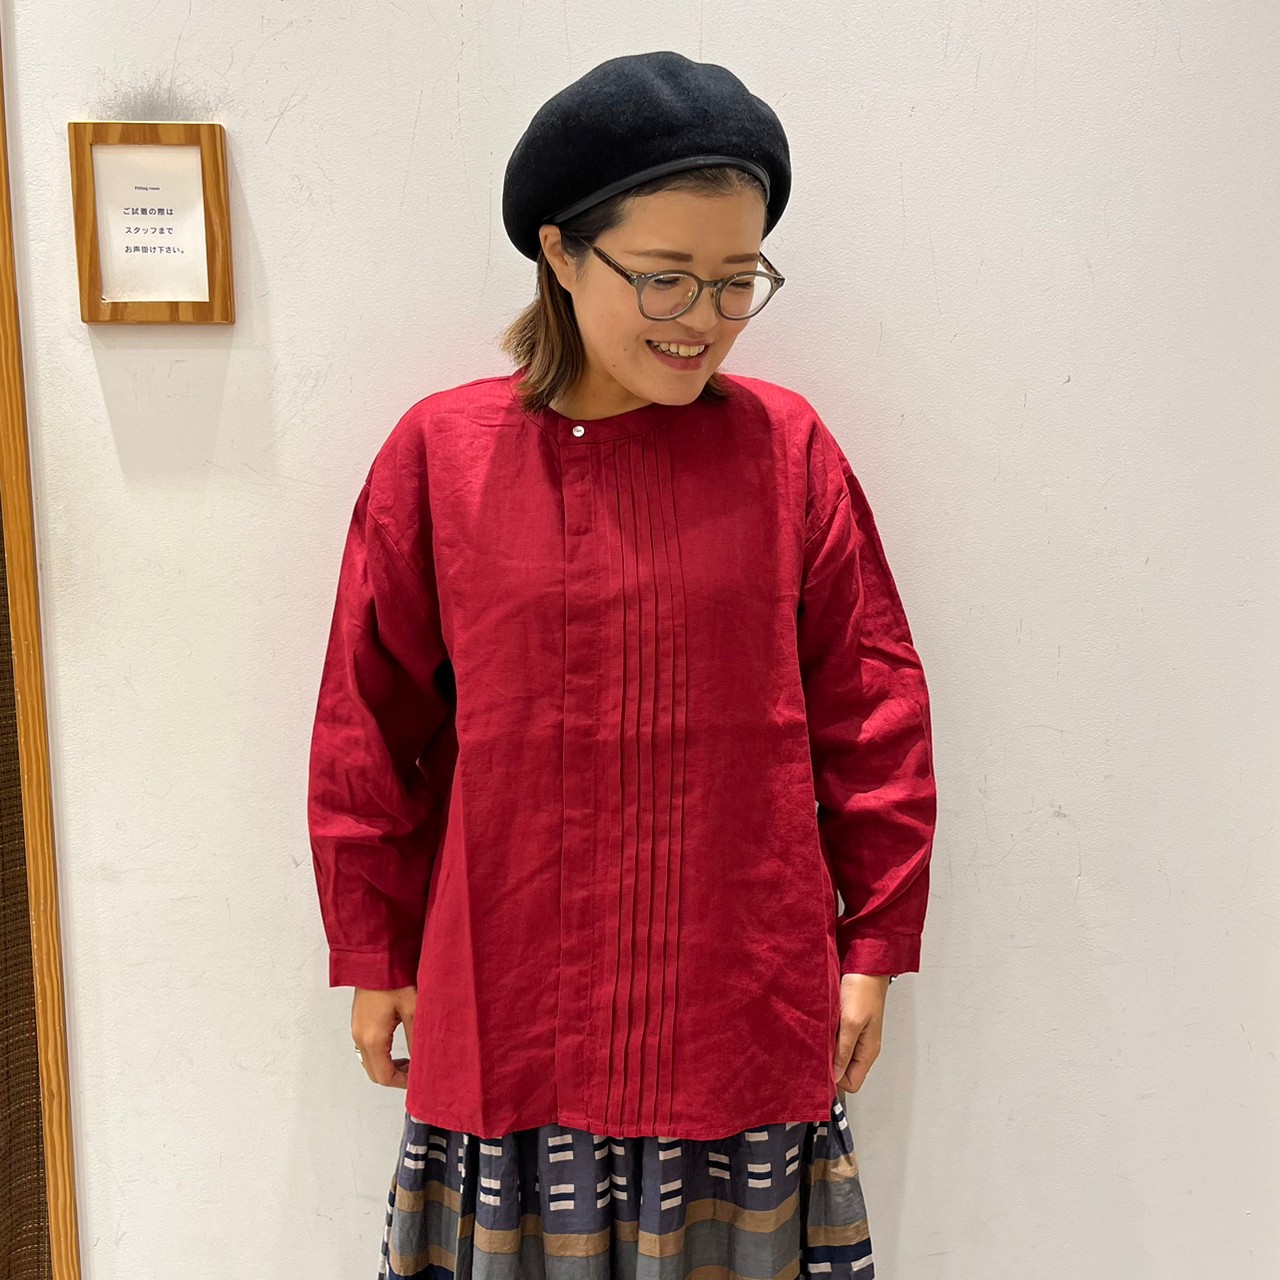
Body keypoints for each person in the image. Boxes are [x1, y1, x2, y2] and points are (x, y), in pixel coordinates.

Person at [307, 50, 937, 1280]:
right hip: (506, 993)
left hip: (737, 995)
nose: (702, 316)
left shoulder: (787, 452)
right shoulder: (442, 455)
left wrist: (872, 942)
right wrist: (370, 948)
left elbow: (871, 707)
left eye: (737, 279)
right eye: (664, 276)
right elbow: (364, 720)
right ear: (559, 251)